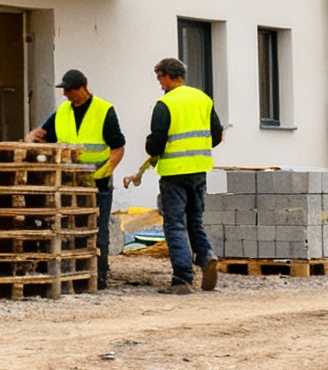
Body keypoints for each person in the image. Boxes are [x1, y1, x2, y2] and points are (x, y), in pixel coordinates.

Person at [125, 55, 221, 291]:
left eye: (160, 78)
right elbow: (216, 134)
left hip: (174, 173)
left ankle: (182, 279)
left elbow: (157, 143)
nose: (160, 83)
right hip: (199, 169)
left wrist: (150, 146)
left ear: (167, 76)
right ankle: (206, 255)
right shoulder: (203, 99)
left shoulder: (165, 104)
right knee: (195, 220)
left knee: (175, 224)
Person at [27, 68, 125, 288]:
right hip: (69, 183)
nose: (67, 94)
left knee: (97, 231)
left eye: (70, 90)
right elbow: (41, 132)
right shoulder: (63, 112)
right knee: (71, 229)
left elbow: (118, 148)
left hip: (97, 183)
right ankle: (76, 274)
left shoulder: (104, 110)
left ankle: (98, 276)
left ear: (84, 87)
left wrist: (103, 173)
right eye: (64, 90)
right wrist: (32, 137)